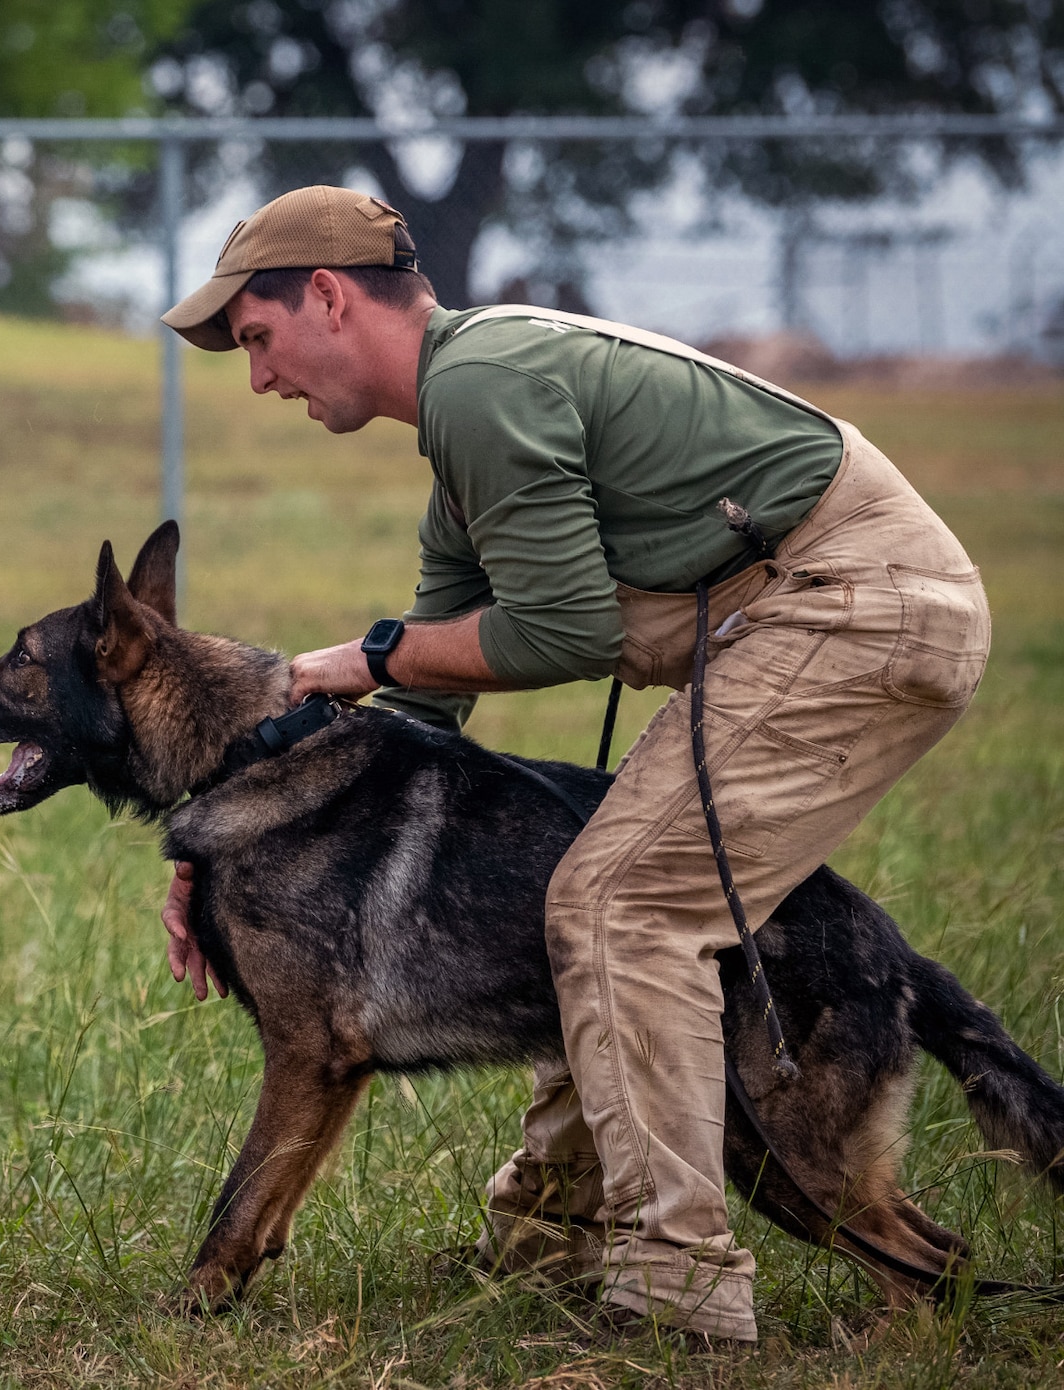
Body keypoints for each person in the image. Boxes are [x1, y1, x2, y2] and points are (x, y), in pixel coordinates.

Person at [155, 185, 989, 1342]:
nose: (257, 378)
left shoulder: (481, 386)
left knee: (617, 903)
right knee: (597, 890)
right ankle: (546, 1235)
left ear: (331, 298)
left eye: (257, 340)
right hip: (810, 611)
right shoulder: (463, 425)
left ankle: (677, 1287)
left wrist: (370, 651)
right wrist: (233, 838)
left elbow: (562, 634)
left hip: (859, 607)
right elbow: (430, 711)